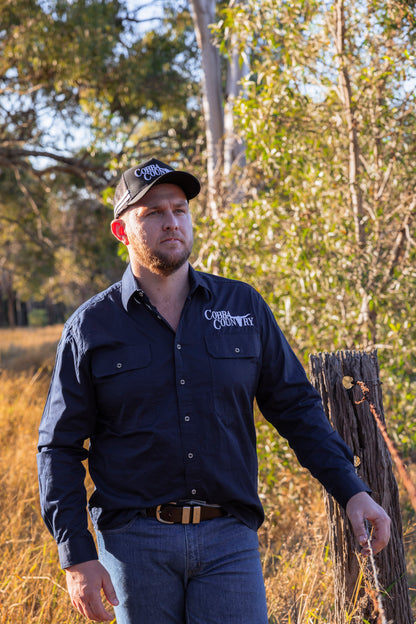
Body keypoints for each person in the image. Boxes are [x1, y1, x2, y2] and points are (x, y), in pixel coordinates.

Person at [37, 157, 391, 624]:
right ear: (122, 232)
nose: (171, 222)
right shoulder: (91, 327)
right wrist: (76, 556)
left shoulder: (243, 307)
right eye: (152, 213)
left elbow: (296, 408)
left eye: (180, 209)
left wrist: (352, 490)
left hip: (230, 539)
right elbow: (58, 447)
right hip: (133, 543)